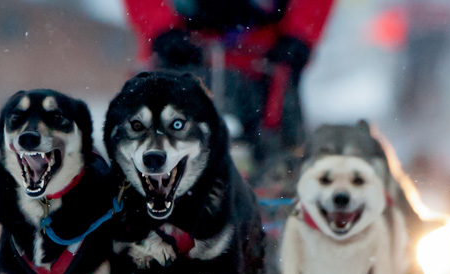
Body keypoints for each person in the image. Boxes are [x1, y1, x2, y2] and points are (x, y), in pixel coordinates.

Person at [122, 0, 334, 180]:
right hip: (184, 52)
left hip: (267, 60)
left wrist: (301, 33)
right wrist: (160, 29)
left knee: (285, 160)